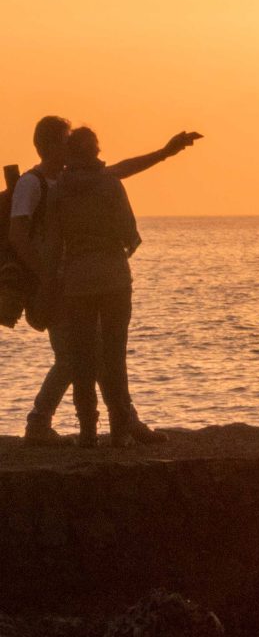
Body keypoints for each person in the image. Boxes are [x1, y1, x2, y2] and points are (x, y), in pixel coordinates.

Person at [10, 116, 200, 444]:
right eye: (66, 141)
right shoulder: (33, 183)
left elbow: (121, 169)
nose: (72, 147)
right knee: (78, 357)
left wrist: (164, 153)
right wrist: (46, 277)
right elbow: (18, 235)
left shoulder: (69, 180)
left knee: (93, 355)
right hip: (56, 282)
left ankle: (120, 421)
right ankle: (41, 423)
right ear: (51, 146)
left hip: (70, 280)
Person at [42, 127, 147, 447]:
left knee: (82, 358)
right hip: (114, 278)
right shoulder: (111, 185)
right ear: (96, 151)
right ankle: (119, 429)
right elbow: (129, 232)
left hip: (76, 282)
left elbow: (53, 242)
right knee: (115, 355)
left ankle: (88, 430)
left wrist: (50, 283)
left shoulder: (59, 190)